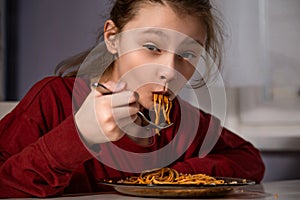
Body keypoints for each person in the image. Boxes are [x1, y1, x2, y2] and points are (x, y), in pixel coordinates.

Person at [0, 0, 265, 198]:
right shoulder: (53, 100)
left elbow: (249, 158)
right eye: (151, 47)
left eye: (188, 54)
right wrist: (78, 136)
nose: (169, 70)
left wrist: (177, 177)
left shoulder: (182, 122)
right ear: (113, 38)